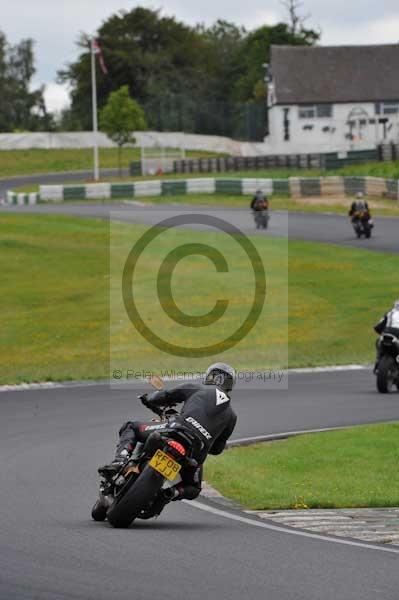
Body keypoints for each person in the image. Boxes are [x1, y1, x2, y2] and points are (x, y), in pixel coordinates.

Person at [99, 363, 237, 511]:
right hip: (196, 451)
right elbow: (217, 449)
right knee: (194, 488)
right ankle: (170, 493)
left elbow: (165, 395)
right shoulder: (232, 416)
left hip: (175, 429)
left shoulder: (196, 387)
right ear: (229, 385)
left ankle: (119, 461)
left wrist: (149, 398)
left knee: (131, 426)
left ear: (210, 376)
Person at [373, 300, 399, 373]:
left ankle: (378, 361)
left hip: (387, 333)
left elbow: (377, 327)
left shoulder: (390, 313)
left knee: (378, 341)